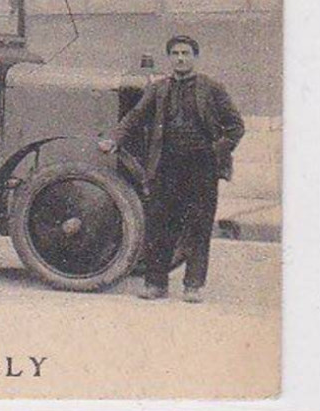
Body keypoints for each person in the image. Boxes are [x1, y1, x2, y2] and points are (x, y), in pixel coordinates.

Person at [99, 34, 245, 303]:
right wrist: (114, 139)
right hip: (166, 165)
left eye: (186, 53)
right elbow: (134, 117)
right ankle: (155, 284)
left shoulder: (212, 88)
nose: (180, 58)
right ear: (170, 58)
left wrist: (215, 154)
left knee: (199, 227)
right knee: (159, 224)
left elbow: (236, 127)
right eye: (176, 54)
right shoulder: (158, 89)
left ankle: (193, 286)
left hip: (202, 167)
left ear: (195, 57)